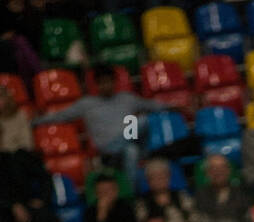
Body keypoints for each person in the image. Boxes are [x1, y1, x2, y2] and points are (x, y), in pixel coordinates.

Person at [32, 63, 164, 188]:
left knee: (137, 138)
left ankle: (131, 193)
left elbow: (152, 105)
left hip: (127, 145)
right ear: (96, 85)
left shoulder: (127, 98)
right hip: (106, 150)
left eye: (108, 81)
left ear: (114, 82)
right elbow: (61, 116)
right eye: (102, 83)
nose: (105, 85)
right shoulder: (87, 104)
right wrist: (35, 121)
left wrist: (176, 107)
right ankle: (137, 183)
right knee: (139, 126)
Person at [192, 154, 250, 222]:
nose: (219, 172)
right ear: (208, 173)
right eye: (214, 168)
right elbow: (200, 221)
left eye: (222, 167)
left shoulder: (242, 192)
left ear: (229, 170)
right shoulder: (200, 195)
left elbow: (246, 221)